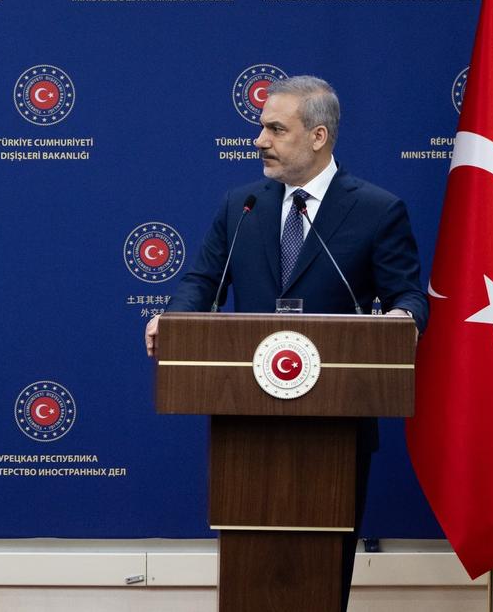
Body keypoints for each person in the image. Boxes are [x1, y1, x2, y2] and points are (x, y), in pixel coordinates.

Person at [144, 75, 427, 612]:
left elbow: (408, 295)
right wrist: (174, 318)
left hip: (336, 424)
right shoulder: (242, 204)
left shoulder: (376, 208)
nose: (260, 141)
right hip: (247, 421)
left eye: (276, 129)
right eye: (261, 128)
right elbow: (202, 281)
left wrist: (400, 319)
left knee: (321, 574)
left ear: (318, 136)